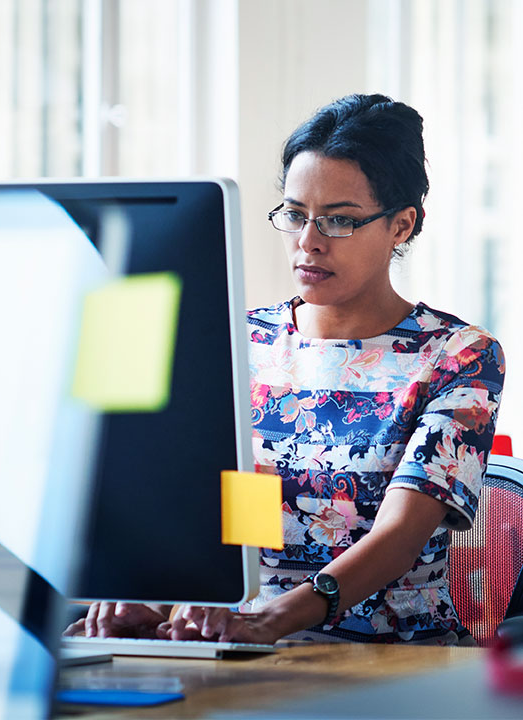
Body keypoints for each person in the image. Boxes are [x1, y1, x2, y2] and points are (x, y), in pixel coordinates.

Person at [65, 93, 505, 645]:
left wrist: (277, 619)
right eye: (296, 215)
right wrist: (156, 602)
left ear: (401, 225)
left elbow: (400, 536)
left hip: (396, 659)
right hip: (250, 646)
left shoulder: (459, 355)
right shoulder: (243, 340)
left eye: (339, 221)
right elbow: (243, 510)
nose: (307, 242)